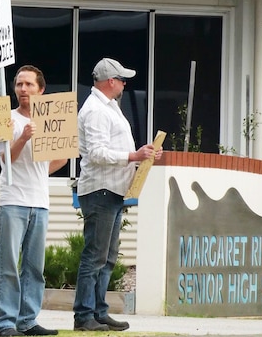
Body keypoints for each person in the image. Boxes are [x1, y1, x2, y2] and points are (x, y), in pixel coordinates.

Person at [72, 58, 162, 332]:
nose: (125, 83)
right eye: (122, 79)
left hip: (110, 190)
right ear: (110, 81)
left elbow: (108, 149)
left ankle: (98, 311)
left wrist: (138, 157)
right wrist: (133, 155)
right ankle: (84, 315)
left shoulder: (107, 107)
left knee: (107, 256)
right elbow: (97, 153)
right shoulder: (97, 110)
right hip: (101, 190)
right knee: (95, 255)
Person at [0, 65, 66, 337]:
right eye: (19, 84)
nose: (23, 89)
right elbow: (5, 160)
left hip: (40, 201)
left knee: (35, 267)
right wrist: (23, 138)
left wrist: (38, 172)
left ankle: (28, 321)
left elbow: (62, 157)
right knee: (9, 265)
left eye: (29, 84)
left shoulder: (50, 120)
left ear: (41, 89)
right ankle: (5, 324)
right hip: (13, 200)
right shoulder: (7, 120)